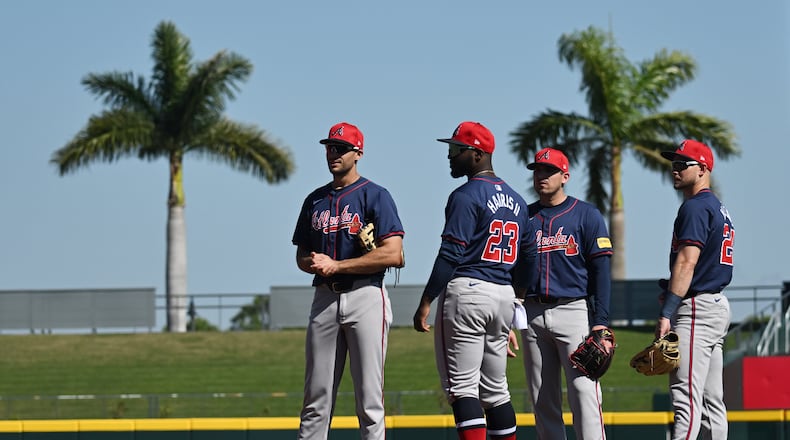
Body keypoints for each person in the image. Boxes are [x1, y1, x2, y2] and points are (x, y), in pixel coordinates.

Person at [413, 121, 530, 440]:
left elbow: (450, 253)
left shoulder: (465, 195)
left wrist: (426, 301)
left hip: (468, 291)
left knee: (462, 389)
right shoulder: (518, 201)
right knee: (496, 392)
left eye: (456, 149)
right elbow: (528, 259)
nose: (450, 156)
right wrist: (516, 300)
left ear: (477, 154)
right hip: (504, 294)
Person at [292, 122, 405, 440]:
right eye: (329, 147)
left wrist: (338, 265)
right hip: (325, 299)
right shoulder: (315, 200)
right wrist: (313, 263)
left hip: (366, 295)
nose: (333, 153)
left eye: (340, 148)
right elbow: (302, 255)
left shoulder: (376, 196)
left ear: (358, 152)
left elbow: (394, 254)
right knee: (315, 399)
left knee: (370, 400)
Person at [518, 147, 614, 440]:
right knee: (542, 399)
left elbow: (602, 272)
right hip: (531, 313)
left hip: (573, 311)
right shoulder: (525, 216)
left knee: (584, 393)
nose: (541, 176)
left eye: (549, 170)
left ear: (565, 176)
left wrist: (601, 321)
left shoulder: (586, 215)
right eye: (537, 170)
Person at [656, 139, 733, 440]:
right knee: (712, 402)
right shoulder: (718, 207)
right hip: (716, 306)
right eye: (672, 164)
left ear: (702, 169)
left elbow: (687, 263)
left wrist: (667, 312)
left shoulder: (696, 207)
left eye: (681, 165)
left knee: (685, 397)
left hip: (697, 310)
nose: (674, 170)